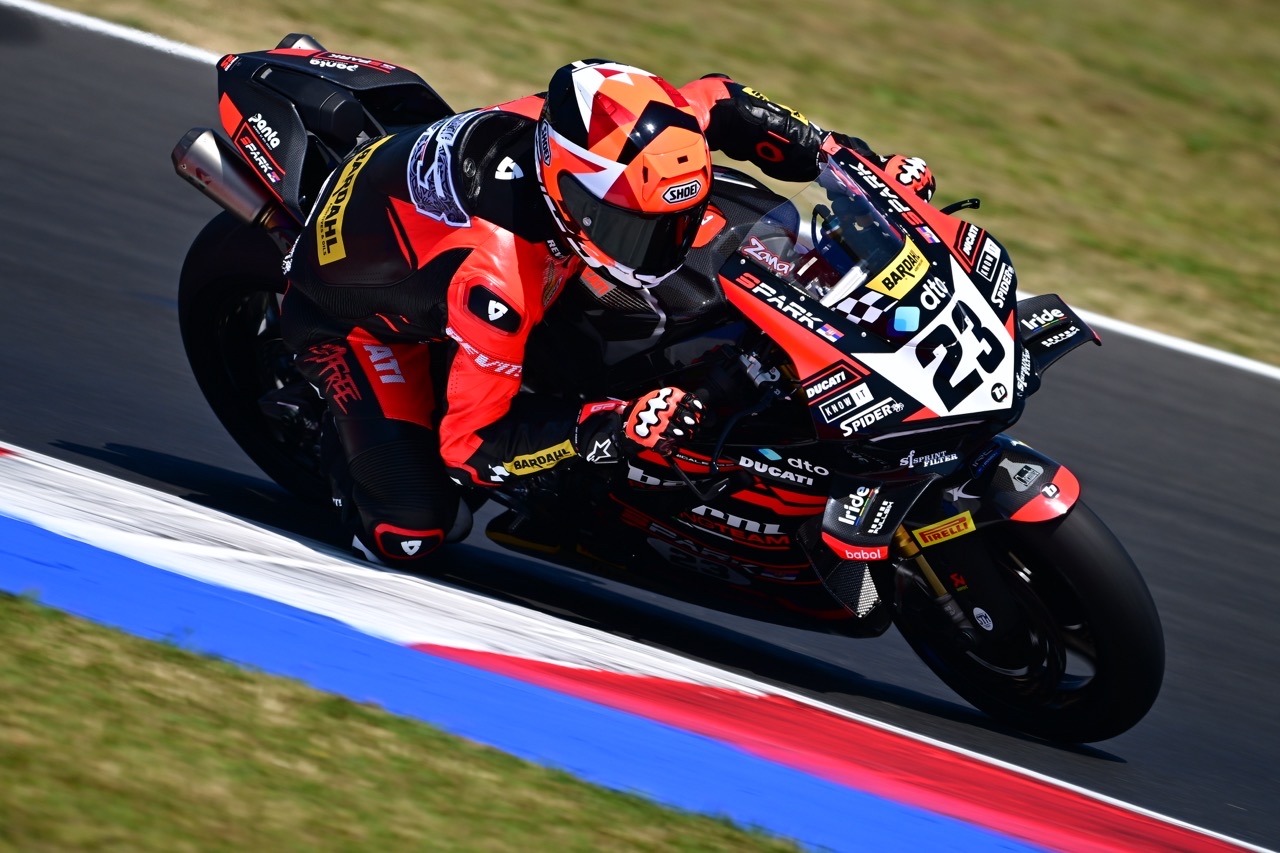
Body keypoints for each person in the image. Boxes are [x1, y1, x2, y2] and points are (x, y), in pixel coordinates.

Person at [280, 58, 934, 566]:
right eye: (633, 229)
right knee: (413, 532)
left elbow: (727, 101)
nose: (662, 247)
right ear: (571, 194)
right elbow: (471, 447)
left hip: (444, 219)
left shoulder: (643, 129)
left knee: (710, 286)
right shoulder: (497, 282)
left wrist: (858, 165)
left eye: (671, 223)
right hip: (352, 317)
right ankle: (354, 454)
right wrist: (610, 426)